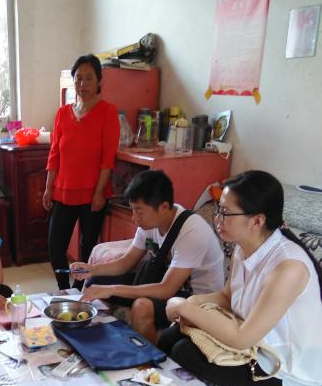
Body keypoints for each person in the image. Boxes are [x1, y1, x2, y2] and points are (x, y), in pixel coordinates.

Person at [159, 170, 322, 386]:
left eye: (226, 213)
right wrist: (192, 302)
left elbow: (242, 338)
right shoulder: (242, 247)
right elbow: (228, 297)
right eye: (218, 209)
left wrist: (185, 308)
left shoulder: (289, 267)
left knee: (183, 351)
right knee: (171, 336)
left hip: (286, 372)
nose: (217, 219)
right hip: (255, 348)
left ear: (257, 221)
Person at [75, 170, 225, 343]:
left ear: (164, 207)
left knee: (142, 306)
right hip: (163, 282)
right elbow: (125, 263)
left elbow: (166, 289)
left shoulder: (192, 232)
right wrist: (92, 269)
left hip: (196, 299)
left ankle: (151, 357)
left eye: (139, 212)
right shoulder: (151, 223)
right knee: (95, 282)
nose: (134, 218)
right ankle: (102, 339)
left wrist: (112, 289)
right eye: (132, 210)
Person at [43, 53, 120, 290]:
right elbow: (54, 153)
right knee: (55, 246)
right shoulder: (62, 113)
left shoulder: (108, 112)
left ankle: (79, 289)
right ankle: (64, 288)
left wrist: (99, 192)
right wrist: (48, 187)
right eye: (78, 78)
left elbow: (108, 158)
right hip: (63, 191)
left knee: (87, 248)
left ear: (99, 81)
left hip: (93, 194)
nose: (83, 84)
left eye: (89, 78)